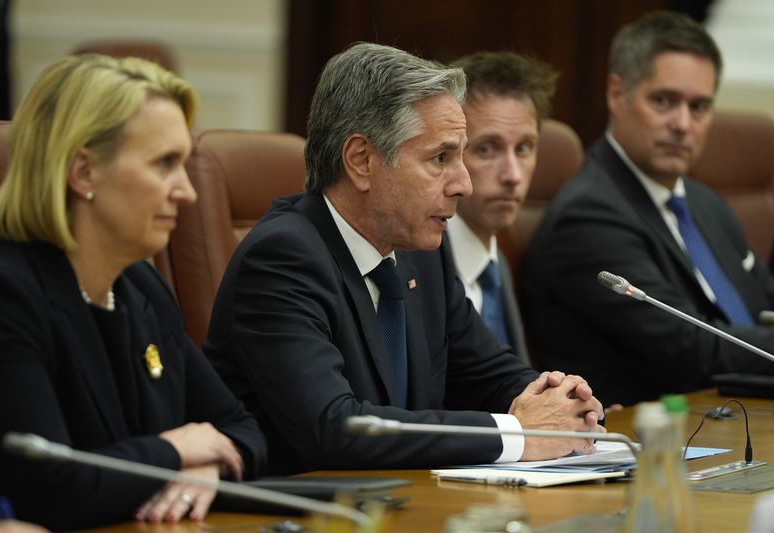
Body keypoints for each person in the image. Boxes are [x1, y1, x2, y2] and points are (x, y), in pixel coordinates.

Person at [205, 42, 604, 476]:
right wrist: (518, 434)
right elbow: (338, 428)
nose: (463, 185)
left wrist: (560, 400)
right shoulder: (282, 260)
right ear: (362, 161)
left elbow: (489, 373)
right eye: (440, 158)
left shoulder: (417, 255)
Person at [0, 54, 266, 530]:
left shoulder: (139, 285)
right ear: (84, 172)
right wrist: (175, 449)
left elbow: (241, 427)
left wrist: (206, 468)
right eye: (164, 164)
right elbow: (51, 487)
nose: (187, 191)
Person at [522, 11, 774, 406]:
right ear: (617, 94)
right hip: (656, 436)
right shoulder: (588, 216)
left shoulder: (705, 202)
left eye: (699, 107)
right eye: (664, 100)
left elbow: (762, 305)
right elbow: (693, 346)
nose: (682, 124)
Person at [446, 51, 558, 364]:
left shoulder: (497, 264)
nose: (512, 175)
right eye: (487, 149)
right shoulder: (417, 268)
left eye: (524, 148)